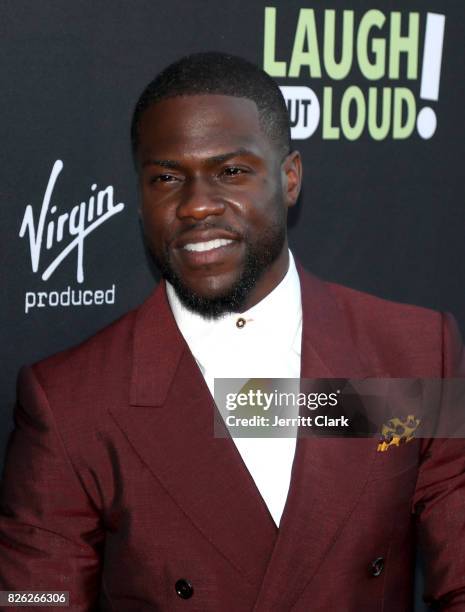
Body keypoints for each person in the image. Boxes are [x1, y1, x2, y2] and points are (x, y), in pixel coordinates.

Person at [0, 52, 464, 612]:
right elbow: (33, 597)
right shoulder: (71, 401)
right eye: (168, 177)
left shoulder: (411, 349)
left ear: (289, 178)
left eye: (232, 172)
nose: (196, 205)